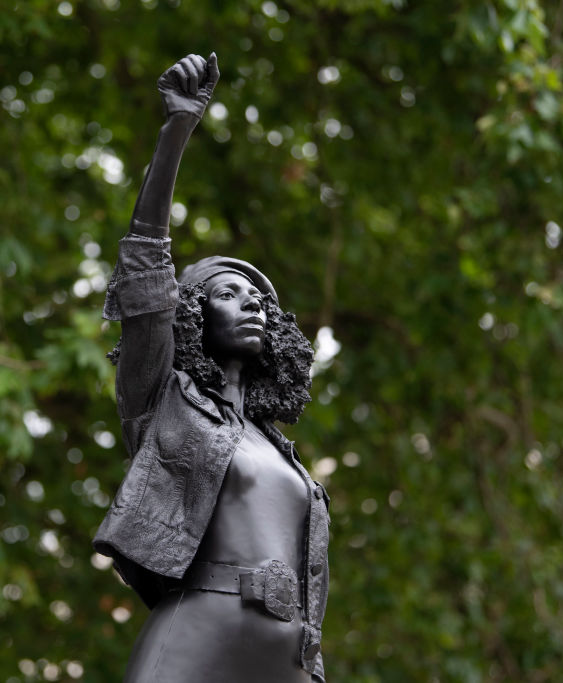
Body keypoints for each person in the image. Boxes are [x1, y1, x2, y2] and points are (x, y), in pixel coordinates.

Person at [93, 53, 330, 682]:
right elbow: (145, 272)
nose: (250, 301)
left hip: (286, 657)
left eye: (260, 300)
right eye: (228, 292)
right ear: (193, 314)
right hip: (198, 636)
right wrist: (176, 131)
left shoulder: (282, 451)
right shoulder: (163, 400)